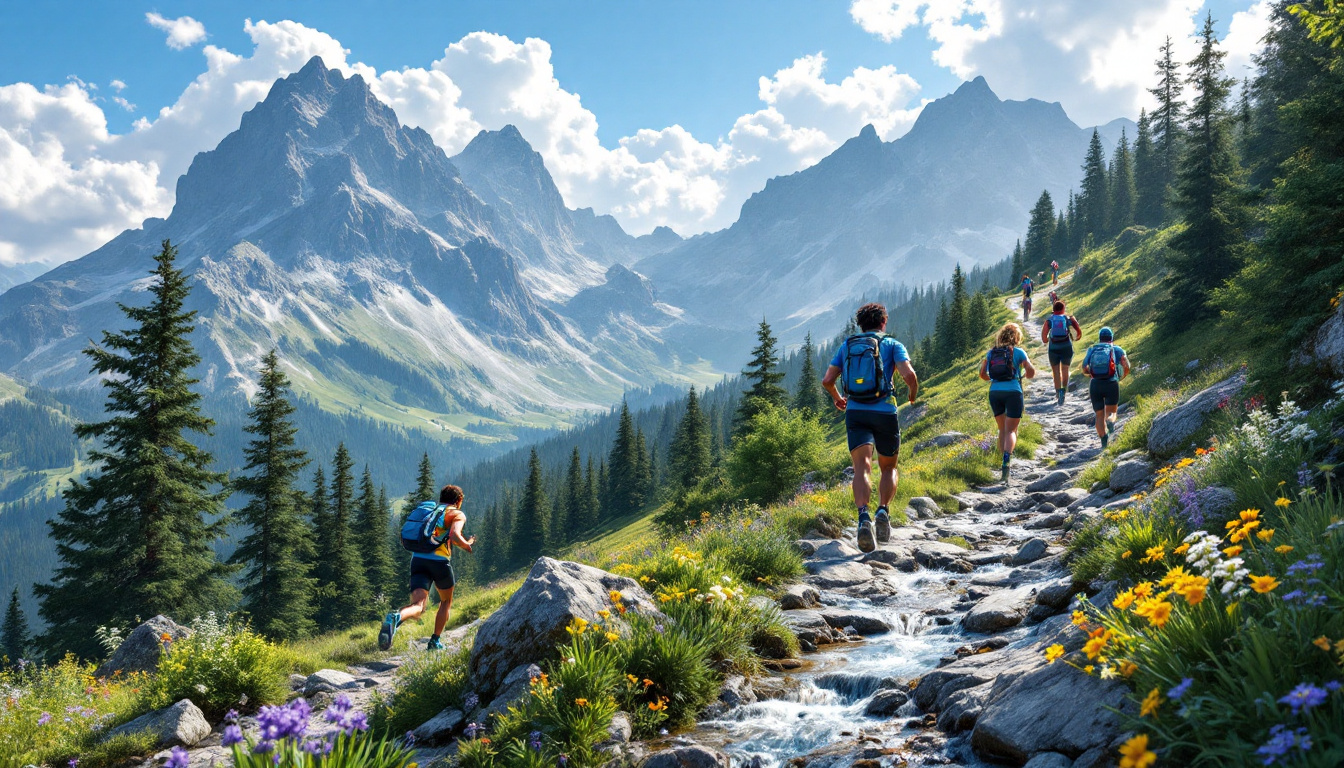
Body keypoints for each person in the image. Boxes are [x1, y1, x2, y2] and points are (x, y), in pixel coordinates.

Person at [822, 302, 919, 553]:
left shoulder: (847, 346)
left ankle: (863, 516)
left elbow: (827, 380)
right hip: (885, 411)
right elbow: (910, 376)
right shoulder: (892, 344)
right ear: (883, 322)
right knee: (888, 467)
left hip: (856, 412)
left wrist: (837, 397)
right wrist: (912, 395)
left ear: (860, 324)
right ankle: (883, 510)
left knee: (861, 467)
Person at [379, 484, 474, 651]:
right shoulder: (456, 514)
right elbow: (454, 535)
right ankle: (435, 641)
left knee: (419, 605)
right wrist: (467, 545)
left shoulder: (430, 512)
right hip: (439, 563)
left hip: (418, 561)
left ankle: (395, 618)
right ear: (458, 500)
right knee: (445, 601)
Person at [979, 323, 1036, 484]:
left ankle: (1001, 463)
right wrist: (1024, 373)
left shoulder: (991, 353)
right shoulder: (1018, 352)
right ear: (1017, 337)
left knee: (1002, 429)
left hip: (995, 392)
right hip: (1013, 391)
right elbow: (1031, 372)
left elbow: (982, 374)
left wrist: (995, 380)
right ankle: (1006, 460)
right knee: (1011, 430)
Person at [1082, 327, 1131, 449]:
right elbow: (1126, 365)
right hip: (1111, 383)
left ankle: (1104, 441)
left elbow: (1084, 367)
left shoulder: (1092, 349)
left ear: (1100, 338)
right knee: (1112, 412)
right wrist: (1122, 376)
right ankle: (1110, 422)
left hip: (1095, 384)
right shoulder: (1117, 349)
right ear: (1112, 338)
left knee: (1099, 415)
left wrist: (1091, 374)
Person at [1040, 300, 1082, 406]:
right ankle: (1064, 390)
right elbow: (1079, 333)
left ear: (1053, 310)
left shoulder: (1049, 320)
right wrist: (1074, 338)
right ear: (1063, 309)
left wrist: (1048, 340)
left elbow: (1044, 338)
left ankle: (1058, 393)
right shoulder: (1068, 318)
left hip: (1053, 348)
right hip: (1066, 347)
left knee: (1056, 371)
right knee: (1065, 369)